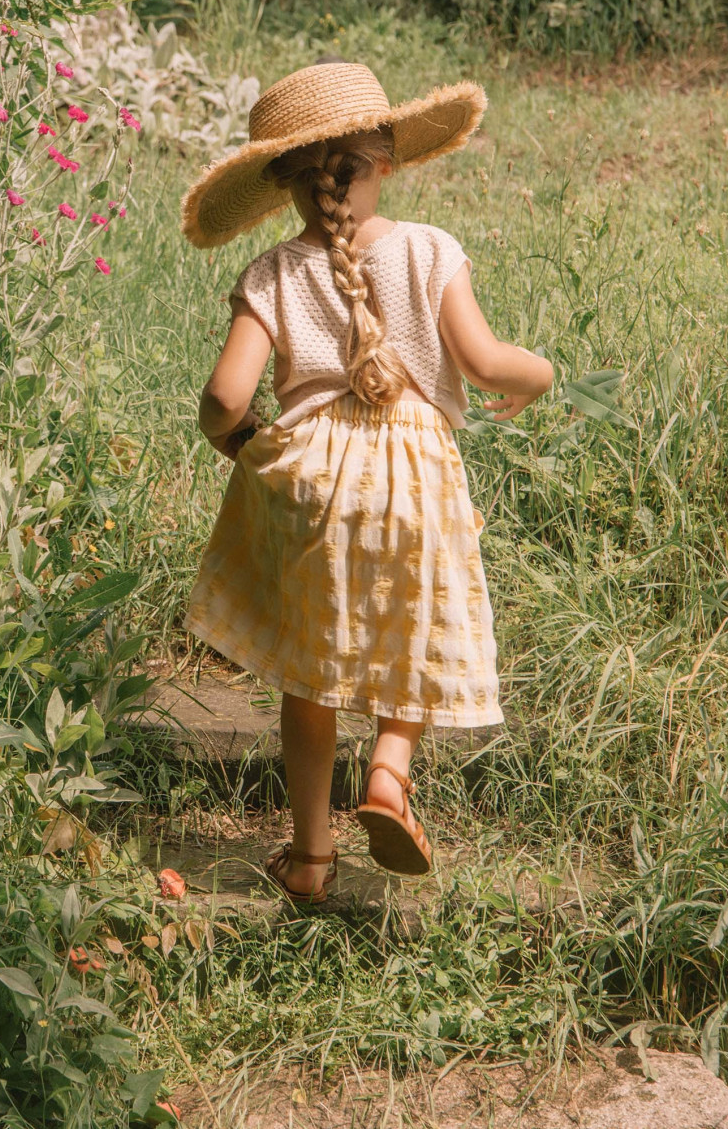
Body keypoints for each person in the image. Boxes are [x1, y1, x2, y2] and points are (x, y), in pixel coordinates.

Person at [180, 60, 553, 904]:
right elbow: (489, 364)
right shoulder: (429, 250)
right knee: (410, 631)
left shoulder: (274, 273)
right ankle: (389, 770)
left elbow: (221, 400)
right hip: (416, 475)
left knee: (310, 680)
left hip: (311, 481)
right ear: (385, 160)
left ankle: (310, 856)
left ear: (284, 188)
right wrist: (541, 376)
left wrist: (247, 449)